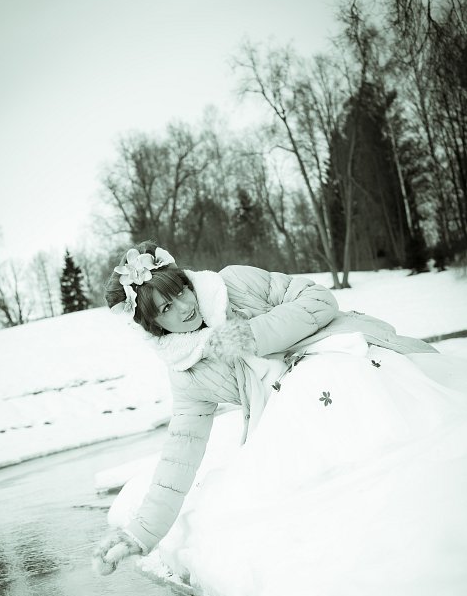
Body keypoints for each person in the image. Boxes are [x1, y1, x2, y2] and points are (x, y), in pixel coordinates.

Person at [93, 240, 467, 575]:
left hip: (345, 358)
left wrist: (250, 336)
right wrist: (141, 534)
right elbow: (180, 451)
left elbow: (320, 301)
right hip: (297, 419)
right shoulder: (187, 370)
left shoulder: (234, 283)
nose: (184, 307)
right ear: (154, 325)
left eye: (181, 292)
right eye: (166, 309)